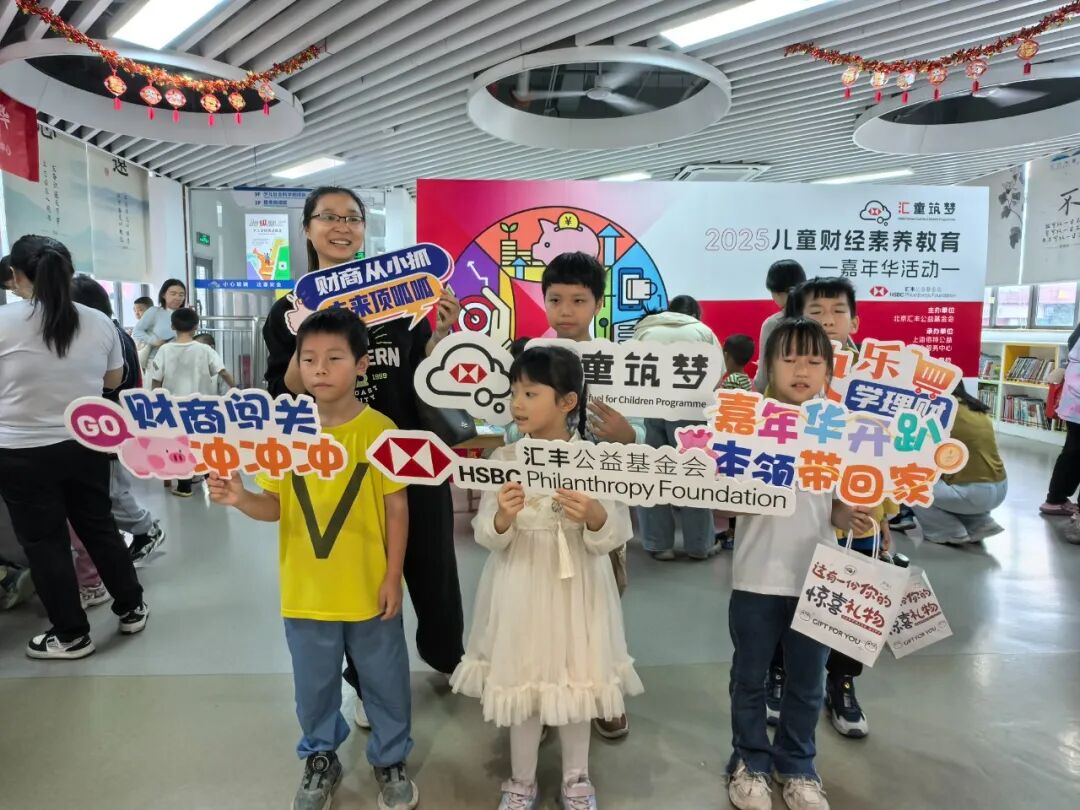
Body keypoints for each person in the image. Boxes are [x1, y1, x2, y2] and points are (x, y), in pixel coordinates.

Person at [262, 186, 465, 727]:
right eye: (328, 217)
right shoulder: (287, 311)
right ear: (308, 229)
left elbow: (420, 370)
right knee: (355, 579)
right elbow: (284, 392)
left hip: (408, 452)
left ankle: (449, 657)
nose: (342, 227)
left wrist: (440, 332)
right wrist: (308, 329)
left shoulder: (401, 297)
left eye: (352, 218)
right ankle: (365, 685)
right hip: (337, 470)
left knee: (433, 566)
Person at [209, 309, 418, 810]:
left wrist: (393, 575)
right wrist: (240, 498)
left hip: (369, 589)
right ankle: (321, 755)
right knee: (313, 686)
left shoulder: (381, 430)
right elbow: (275, 505)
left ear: (362, 364)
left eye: (334, 358)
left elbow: (396, 507)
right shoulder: (285, 433)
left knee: (385, 680)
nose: (319, 369)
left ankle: (390, 757)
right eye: (309, 359)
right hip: (306, 592)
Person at [451, 345, 642, 810]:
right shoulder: (505, 458)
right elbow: (486, 533)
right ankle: (521, 780)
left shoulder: (596, 461)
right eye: (514, 392)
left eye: (530, 393)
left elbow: (616, 531)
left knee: (578, 679)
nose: (517, 403)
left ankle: (577, 778)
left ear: (567, 402)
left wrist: (595, 517)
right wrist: (502, 519)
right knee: (524, 679)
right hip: (520, 583)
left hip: (578, 587)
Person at [723, 318, 873, 810]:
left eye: (813, 360)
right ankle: (749, 760)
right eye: (789, 359)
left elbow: (833, 505)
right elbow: (722, 501)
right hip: (756, 576)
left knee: (808, 682)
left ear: (829, 370)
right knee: (749, 678)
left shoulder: (838, 430)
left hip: (817, 576)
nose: (801, 370)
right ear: (768, 366)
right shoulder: (746, 423)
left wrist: (848, 515)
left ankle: (798, 766)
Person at [505, 251, 643, 740]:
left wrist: (629, 435)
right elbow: (511, 424)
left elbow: (638, 442)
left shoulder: (621, 363)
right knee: (537, 610)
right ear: (543, 300)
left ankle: (600, 694)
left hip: (597, 510)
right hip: (538, 516)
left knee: (599, 605)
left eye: (579, 300)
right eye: (556, 299)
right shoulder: (529, 357)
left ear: (598, 304)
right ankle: (544, 698)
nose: (566, 310)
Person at [0, 234, 148, 660]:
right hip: (85, 442)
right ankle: (132, 607)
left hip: (21, 451)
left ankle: (70, 634)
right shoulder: (99, 321)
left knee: (45, 542)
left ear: (16, 275)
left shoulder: (5, 321)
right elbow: (113, 381)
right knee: (99, 526)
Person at [778, 276, 896, 739]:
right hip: (800, 517)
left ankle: (842, 681)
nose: (828, 320)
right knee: (788, 596)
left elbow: (892, 452)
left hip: (859, 517)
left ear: (855, 320)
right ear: (797, 319)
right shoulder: (784, 379)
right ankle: (778, 672)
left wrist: (885, 514)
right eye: (816, 312)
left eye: (838, 311)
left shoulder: (876, 381)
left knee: (852, 602)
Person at [70, 276, 167, 565]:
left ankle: (146, 529)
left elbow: (117, 381)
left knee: (111, 488)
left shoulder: (109, 334)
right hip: (106, 417)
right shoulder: (107, 331)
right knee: (107, 486)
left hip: (111, 418)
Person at [632, 295, 722, 561]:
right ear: (696, 314)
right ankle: (699, 545)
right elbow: (717, 374)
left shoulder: (645, 329)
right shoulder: (702, 331)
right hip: (690, 407)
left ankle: (659, 544)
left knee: (653, 471)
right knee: (695, 471)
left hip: (649, 406)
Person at [148, 307, 236, 497]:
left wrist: (155, 399)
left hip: (176, 407)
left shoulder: (164, 350)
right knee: (205, 444)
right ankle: (212, 482)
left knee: (180, 446)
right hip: (204, 406)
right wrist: (236, 388)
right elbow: (223, 371)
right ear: (196, 326)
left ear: (172, 326)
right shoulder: (205, 349)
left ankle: (184, 486)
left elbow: (156, 380)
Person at [912, 382, 1008, 544]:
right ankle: (980, 523)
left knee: (908, 482)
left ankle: (946, 531)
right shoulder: (974, 407)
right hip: (1000, 487)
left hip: (972, 493)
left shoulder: (938, 411)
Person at [1041, 322, 1080, 518]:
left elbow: (1072, 342)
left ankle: (1055, 499)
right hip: (1076, 399)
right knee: (1074, 451)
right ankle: (1056, 500)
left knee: (1073, 450)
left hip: (1074, 400)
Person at [753, 260, 806, 393]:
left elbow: (763, 380)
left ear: (775, 291)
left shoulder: (773, 324)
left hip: (783, 398)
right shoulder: (821, 318)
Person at [132, 278, 187, 362]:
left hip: (180, 360)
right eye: (173, 294)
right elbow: (137, 331)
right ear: (163, 295)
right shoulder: (154, 311)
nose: (178, 297)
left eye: (181, 295)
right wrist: (153, 340)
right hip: (156, 360)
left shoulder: (185, 314)